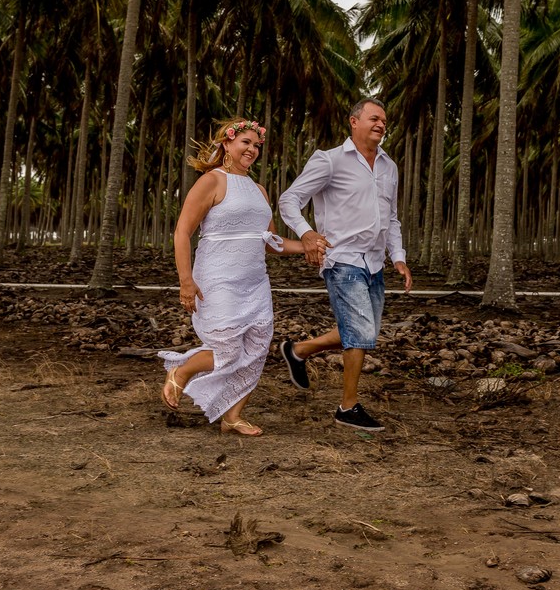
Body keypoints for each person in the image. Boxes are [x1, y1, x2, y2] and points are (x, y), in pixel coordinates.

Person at [159, 119, 306, 436]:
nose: (252, 149)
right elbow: (182, 232)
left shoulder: (259, 190)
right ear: (227, 144)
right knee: (227, 349)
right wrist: (186, 280)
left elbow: (272, 242)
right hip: (217, 277)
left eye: (257, 145)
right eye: (246, 142)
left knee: (255, 348)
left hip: (254, 281)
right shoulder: (212, 181)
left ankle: (233, 416)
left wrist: (308, 244)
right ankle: (181, 372)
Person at [277, 98, 412, 432]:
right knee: (361, 333)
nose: (381, 124)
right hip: (342, 258)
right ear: (354, 121)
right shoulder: (330, 161)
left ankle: (298, 350)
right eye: (374, 118)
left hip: (375, 262)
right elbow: (290, 200)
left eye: (384, 120)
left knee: (363, 333)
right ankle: (347, 407)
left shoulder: (388, 166)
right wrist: (307, 234)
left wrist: (399, 257)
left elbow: (391, 218)